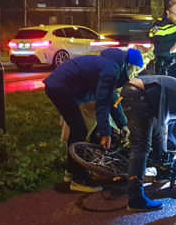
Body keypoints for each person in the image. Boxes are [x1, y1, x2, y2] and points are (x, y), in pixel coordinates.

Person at [44, 48, 145, 192]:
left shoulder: (112, 66)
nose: (134, 75)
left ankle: (71, 172)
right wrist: (106, 133)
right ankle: (78, 179)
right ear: (128, 65)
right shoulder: (112, 69)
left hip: (59, 85)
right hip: (61, 87)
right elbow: (102, 103)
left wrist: (123, 124)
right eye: (135, 70)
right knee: (80, 129)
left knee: (77, 129)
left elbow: (112, 99)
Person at [119, 75, 176, 211]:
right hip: (141, 95)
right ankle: (135, 198)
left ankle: (162, 173)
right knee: (141, 146)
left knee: (158, 134)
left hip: (134, 92)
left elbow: (172, 130)